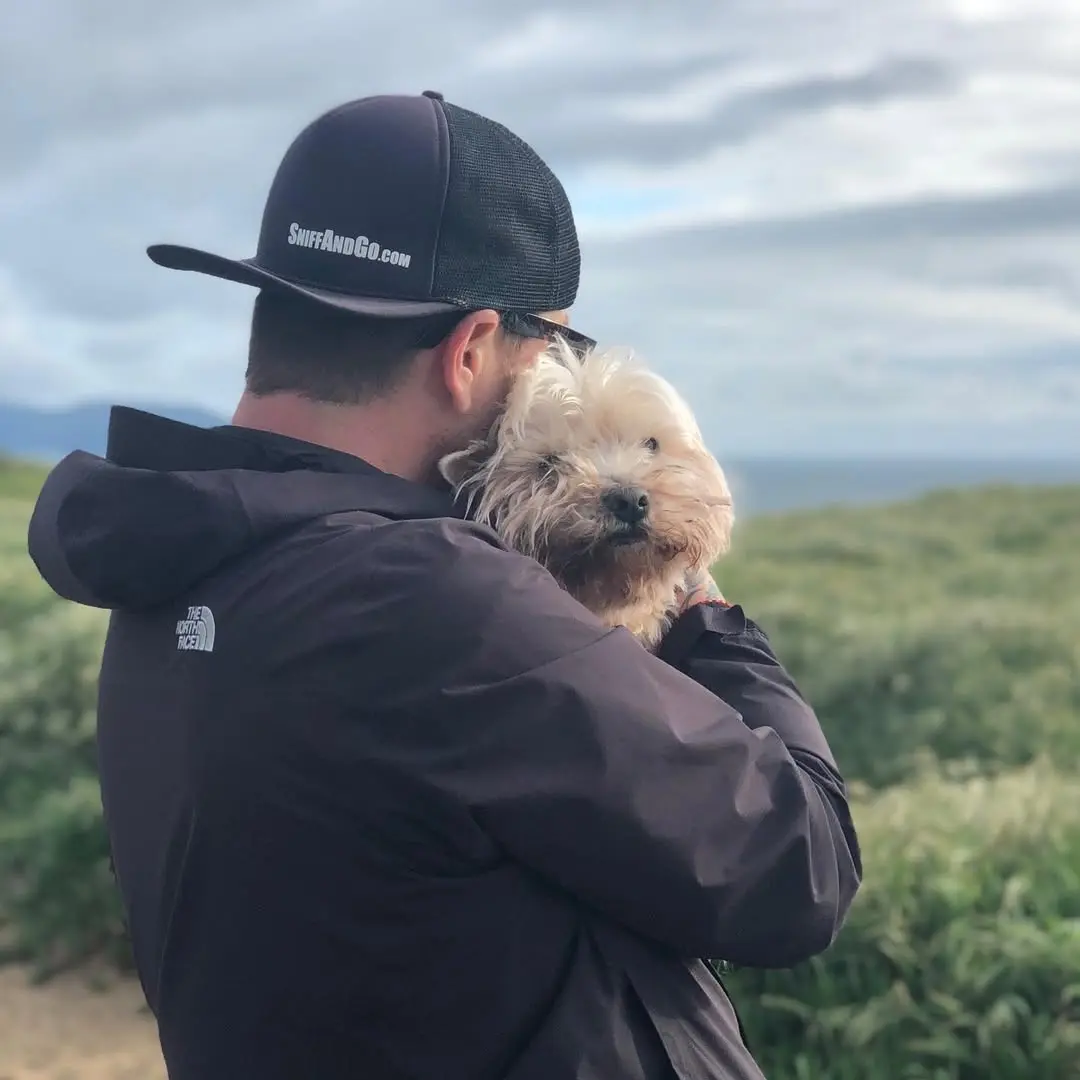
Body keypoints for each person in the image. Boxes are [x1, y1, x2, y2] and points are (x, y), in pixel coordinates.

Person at [27, 91, 861, 1080]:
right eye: (549, 348)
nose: (548, 383)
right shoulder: (433, 604)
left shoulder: (177, 567)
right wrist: (706, 617)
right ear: (469, 353)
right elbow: (793, 866)